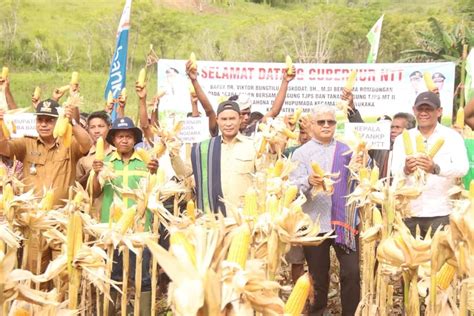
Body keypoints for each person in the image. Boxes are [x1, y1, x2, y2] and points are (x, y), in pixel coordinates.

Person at [290, 105, 360, 316]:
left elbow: (361, 179)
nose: (327, 126)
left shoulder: (347, 150)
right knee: (318, 277)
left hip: (343, 223)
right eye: (321, 122)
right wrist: (308, 181)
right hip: (314, 224)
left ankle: (351, 312)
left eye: (331, 122)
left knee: (352, 272)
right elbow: (292, 188)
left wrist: (362, 165)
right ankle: (318, 311)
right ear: (311, 125)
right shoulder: (301, 154)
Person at [91, 116, 158, 315]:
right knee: (112, 275)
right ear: (113, 139)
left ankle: (143, 312)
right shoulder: (105, 162)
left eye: (129, 136)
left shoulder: (146, 162)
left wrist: (155, 172)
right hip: (113, 229)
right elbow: (95, 192)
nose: (124, 140)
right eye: (120, 136)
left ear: (134, 139)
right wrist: (96, 174)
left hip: (140, 229)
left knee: (143, 277)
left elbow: (155, 190)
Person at [391, 91, 469, 236]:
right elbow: (394, 170)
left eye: (429, 109)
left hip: (441, 212)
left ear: (439, 112)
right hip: (409, 213)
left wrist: (435, 168)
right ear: (414, 110)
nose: (423, 113)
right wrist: (406, 169)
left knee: (438, 259)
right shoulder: (403, 139)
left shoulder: (452, 137)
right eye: (420, 109)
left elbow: (462, 168)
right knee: (409, 259)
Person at [191, 100, 257, 214]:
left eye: (232, 118)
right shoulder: (205, 148)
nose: (228, 123)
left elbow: (265, 178)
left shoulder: (254, 146)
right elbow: (184, 172)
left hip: (244, 220)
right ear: (217, 120)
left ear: (240, 119)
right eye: (224, 119)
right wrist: (173, 153)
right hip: (213, 220)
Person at [345, 88, 416, 178]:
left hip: (402, 190)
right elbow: (363, 132)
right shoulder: (380, 146)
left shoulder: (415, 149)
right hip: (379, 190)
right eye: (392, 127)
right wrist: (351, 109)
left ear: (409, 130)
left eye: (397, 128)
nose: (393, 130)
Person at [76, 111, 115, 219]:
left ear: (109, 127)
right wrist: (91, 173)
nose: (96, 131)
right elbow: (77, 186)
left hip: (114, 212)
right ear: (87, 129)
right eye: (92, 127)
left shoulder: (117, 153)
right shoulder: (83, 156)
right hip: (91, 215)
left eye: (101, 126)